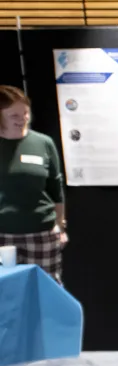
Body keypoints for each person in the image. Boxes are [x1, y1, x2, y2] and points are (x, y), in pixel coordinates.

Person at [0, 86, 67, 282]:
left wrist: (60, 226)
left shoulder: (43, 143)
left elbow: (56, 189)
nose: (23, 119)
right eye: (14, 115)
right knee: (6, 294)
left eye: (26, 113)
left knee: (46, 291)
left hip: (41, 234)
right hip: (2, 235)